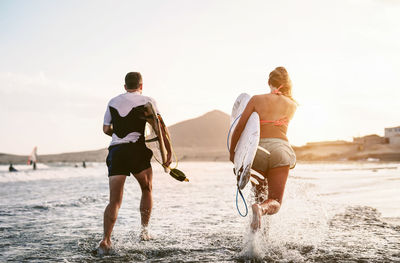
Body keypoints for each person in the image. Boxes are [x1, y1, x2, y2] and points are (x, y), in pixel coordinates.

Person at [98, 72, 172, 253]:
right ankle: (144, 232)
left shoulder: (112, 101)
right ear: (141, 86)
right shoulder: (147, 101)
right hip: (137, 150)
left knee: (114, 200)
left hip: (116, 151)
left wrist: (119, 134)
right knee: (147, 189)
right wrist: (167, 155)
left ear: (125, 86)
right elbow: (159, 129)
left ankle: (106, 240)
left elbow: (106, 128)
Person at [229, 67, 297, 231]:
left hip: (257, 151)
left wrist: (233, 153)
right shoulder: (292, 105)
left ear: (269, 82)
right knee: (274, 200)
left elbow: (239, 128)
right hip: (280, 150)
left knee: (259, 195)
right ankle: (262, 210)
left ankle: (256, 238)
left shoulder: (256, 99)